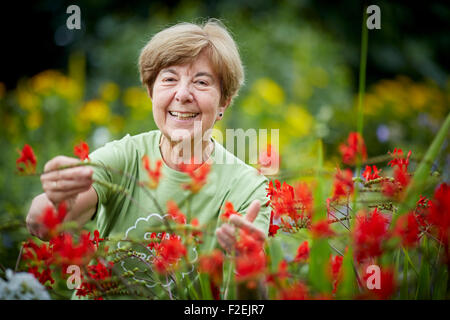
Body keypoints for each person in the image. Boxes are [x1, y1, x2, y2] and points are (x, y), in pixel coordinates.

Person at [26, 19, 270, 298]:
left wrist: (246, 265)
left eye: (201, 82)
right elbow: (39, 225)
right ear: (151, 91)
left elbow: (252, 304)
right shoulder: (124, 156)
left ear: (224, 101)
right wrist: (58, 201)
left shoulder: (245, 187)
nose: (182, 94)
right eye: (169, 79)